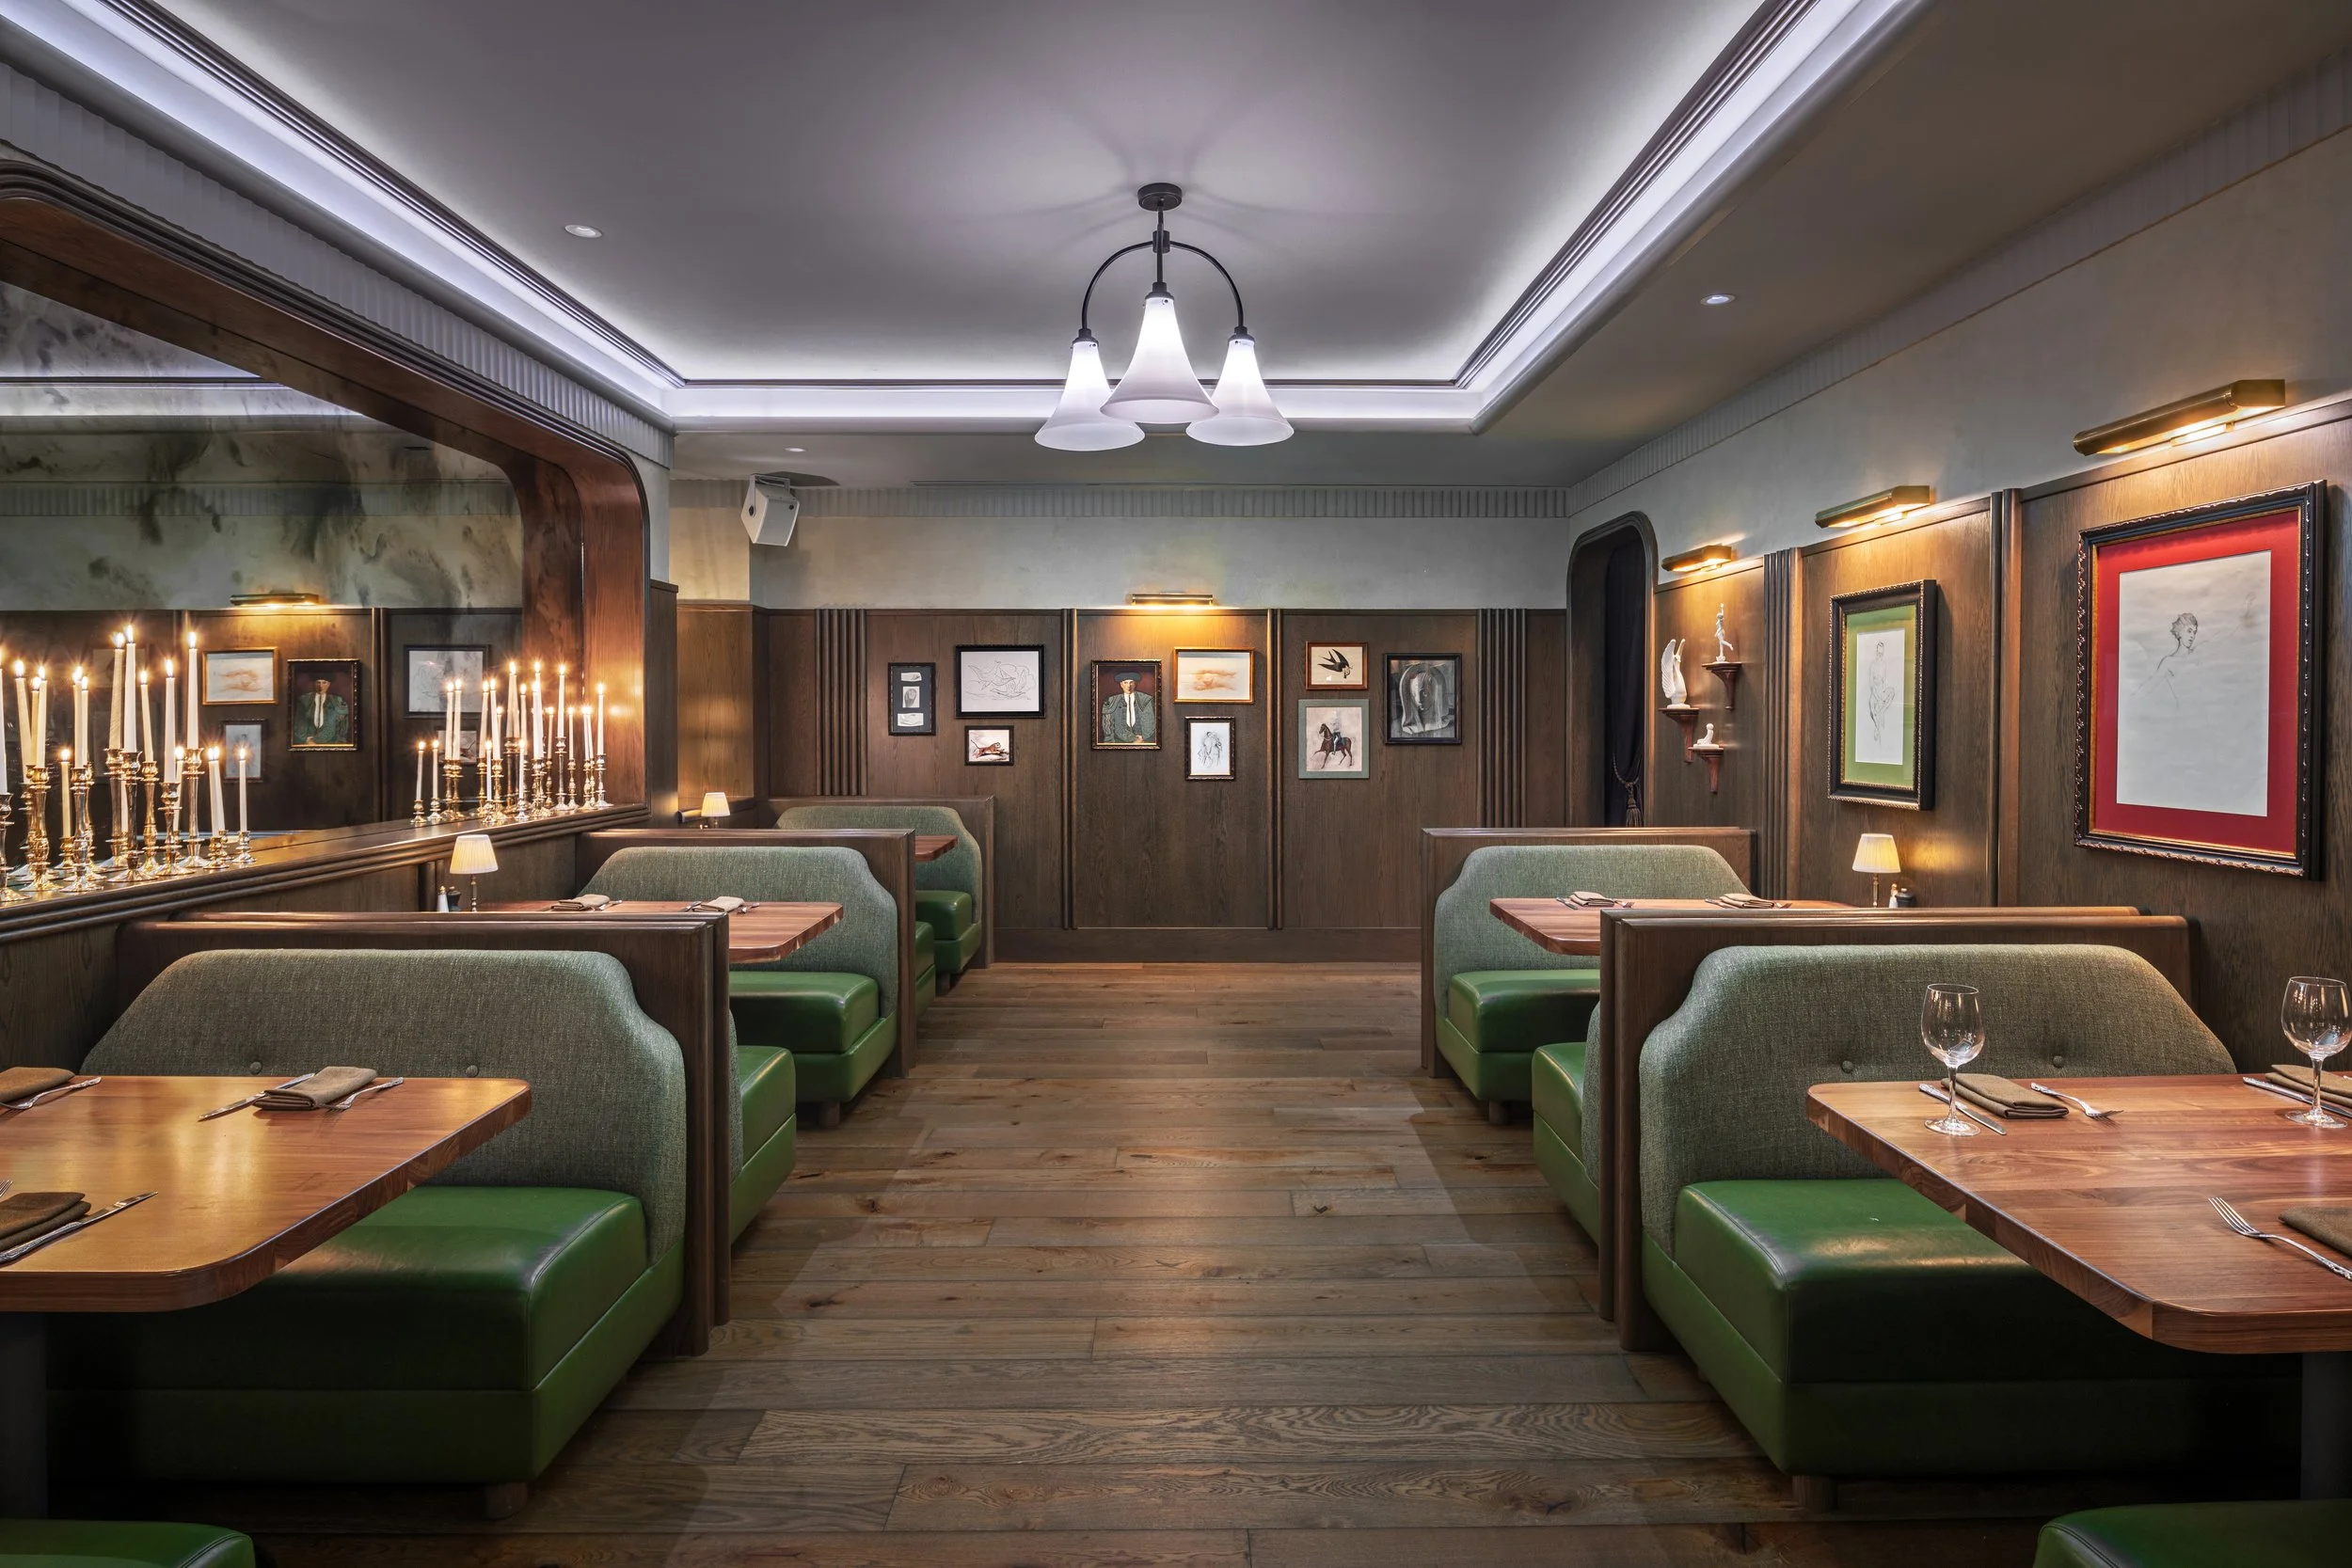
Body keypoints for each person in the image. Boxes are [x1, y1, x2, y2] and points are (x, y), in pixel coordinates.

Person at [292, 674, 350, 747]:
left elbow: (342, 725)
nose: (321, 686)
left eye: (324, 683)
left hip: (330, 742)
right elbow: (299, 723)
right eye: (318, 682)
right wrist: (307, 740)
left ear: (329, 684)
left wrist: (339, 742)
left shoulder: (337, 700)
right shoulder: (304, 700)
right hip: (307, 742)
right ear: (314, 683)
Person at [1101, 673, 1154, 745]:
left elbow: (1150, 722)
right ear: (1121, 684)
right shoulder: (1111, 701)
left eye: (1131, 682)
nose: (1128, 686)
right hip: (1119, 742)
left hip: (1143, 742)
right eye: (1125, 683)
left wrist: (1143, 740)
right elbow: (1108, 726)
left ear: (1135, 684)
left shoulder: (1146, 700)